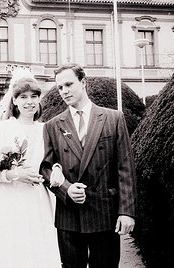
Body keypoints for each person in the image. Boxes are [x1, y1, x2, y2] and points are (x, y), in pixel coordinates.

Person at [40, 64, 137, 268]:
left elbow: (125, 168)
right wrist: (66, 189)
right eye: (59, 87)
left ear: (83, 82)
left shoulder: (113, 118)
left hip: (104, 212)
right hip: (69, 217)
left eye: (68, 84)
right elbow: (46, 169)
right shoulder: (52, 125)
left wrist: (126, 212)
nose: (64, 91)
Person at [0, 69, 62, 268]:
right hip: (8, 198)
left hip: (37, 199)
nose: (29, 101)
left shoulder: (46, 130)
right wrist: (14, 174)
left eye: (34, 96)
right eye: (23, 97)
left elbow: (54, 160)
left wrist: (57, 167)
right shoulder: (2, 129)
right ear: (14, 100)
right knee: (10, 249)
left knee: (36, 247)